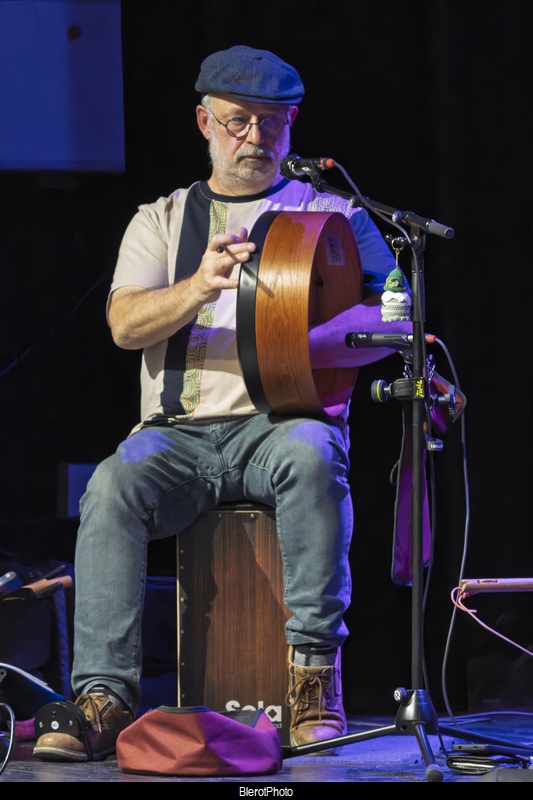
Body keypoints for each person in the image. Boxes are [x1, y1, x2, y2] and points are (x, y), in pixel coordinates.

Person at [33, 45, 411, 762]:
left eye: (272, 121)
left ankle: (313, 677)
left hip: (281, 426)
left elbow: (396, 316)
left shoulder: (331, 213)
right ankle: (104, 697)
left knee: (312, 453)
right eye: (238, 121)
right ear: (205, 122)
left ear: (291, 124)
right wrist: (199, 287)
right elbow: (124, 326)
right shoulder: (161, 219)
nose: (255, 137)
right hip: (176, 435)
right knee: (112, 485)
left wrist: (297, 341)